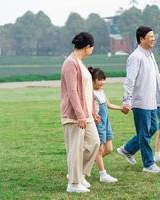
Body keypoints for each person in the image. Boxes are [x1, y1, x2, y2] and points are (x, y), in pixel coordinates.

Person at [116, 26, 160, 174]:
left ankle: (127, 149)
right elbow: (129, 80)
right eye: (150, 36)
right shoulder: (135, 57)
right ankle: (148, 164)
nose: (153, 38)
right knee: (144, 133)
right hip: (140, 102)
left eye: (153, 36)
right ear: (141, 39)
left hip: (151, 101)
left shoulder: (149, 54)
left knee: (152, 129)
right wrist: (127, 100)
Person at [60, 32, 100, 193]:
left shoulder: (80, 63)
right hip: (74, 115)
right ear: (88, 47)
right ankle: (74, 184)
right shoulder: (70, 63)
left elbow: (86, 90)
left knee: (94, 143)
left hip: (86, 114)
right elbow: (72, 91)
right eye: (92, 47)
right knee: (75, 149)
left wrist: (91, 111)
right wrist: (80, 114)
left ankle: (79, 175)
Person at [88, 67, 126, 183]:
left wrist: (121, 108)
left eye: (103, 79)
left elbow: (108, 105)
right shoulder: (91, 93)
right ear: (92, 80)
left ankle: (87, 165)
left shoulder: (101, 91)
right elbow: (89, 109)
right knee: (99, 150)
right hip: (98, 124)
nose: (102, 82)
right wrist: (94, 117)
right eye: (99, 80)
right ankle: (102, 174)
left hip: (106, 123)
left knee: (109, 149)